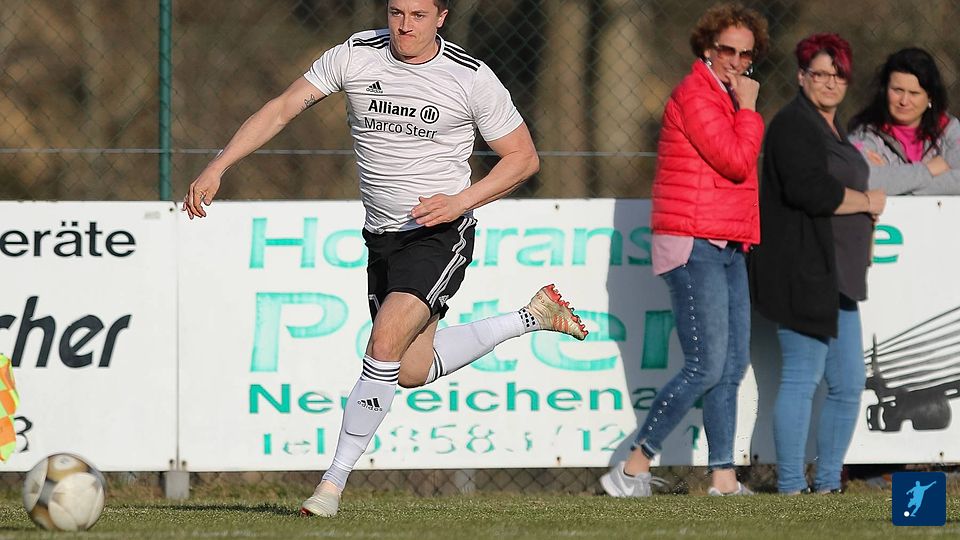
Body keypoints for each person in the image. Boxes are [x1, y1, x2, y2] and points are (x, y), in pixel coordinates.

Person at [182, 0, 588, 517]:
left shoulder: (470, 77)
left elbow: (523, 158)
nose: (404, 25)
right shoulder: (355, 54)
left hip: (439, 233)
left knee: (382, 342)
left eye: (418, 15)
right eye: (397, 12)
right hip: (381, 238)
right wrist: (219, 166)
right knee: (410, 369)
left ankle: (330, 486)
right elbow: (283, 107)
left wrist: (460, 202)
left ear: (441, 17)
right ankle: (532, 316)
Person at [599, 2, 768, 498]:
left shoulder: (726, 98)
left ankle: (723, 478)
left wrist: (743, 109)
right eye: (727, 50)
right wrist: (751, 111)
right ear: (707, 48)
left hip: (728, 242)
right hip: (693, 244)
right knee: (706, 366)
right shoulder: (696, 94)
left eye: (746, 54)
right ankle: (631, 469)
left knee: (731, 368)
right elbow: (735, 161)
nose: (736, 61)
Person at [748, 33, 887, 495]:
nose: (830, 82)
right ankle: (791, 485)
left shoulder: (833, 128)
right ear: (801, 76)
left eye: (838, 75)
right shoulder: (793, 125)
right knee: (801, 379)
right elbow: (810, 190)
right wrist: (866, 201)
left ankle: (828, 483)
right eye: (820, 73)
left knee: (848, 384)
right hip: (804, 273)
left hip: (839, 278)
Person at [848, 47, 960, 194]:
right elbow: (863, 180)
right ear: (884, 90)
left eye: (914, 93)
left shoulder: (950, 131)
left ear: (930, 97)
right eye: (897, 90)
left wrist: (893, 182)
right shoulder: (864, 135)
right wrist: (928, 170)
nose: (904, 101)